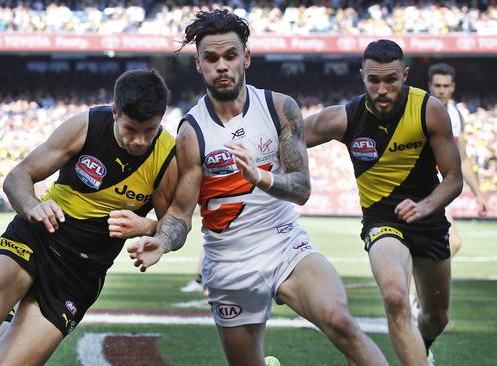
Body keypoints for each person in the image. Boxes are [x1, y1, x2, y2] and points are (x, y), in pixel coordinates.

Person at [127, 10, 388, 366]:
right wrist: (163, 240)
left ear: (245, 58)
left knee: (340, 321)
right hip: (228, 263)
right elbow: (179, 214)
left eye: (231, 56)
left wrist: (260, 177)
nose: (222, 66)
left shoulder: (280, 108)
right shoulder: (191, 131)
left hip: (284, 243)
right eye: (212, 58)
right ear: (199, 64)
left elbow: (301, 188)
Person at [0, 69, 177, 365]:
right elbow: (17, 177)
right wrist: (31, 206)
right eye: (131, 129)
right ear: (116, 112)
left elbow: (176, 225)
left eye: (150, 130)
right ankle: (0, 324)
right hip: (37, 236)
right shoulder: (86, 126)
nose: (140, 141)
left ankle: (6, 329)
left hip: (80, 271)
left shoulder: (167, 156)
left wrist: (148, 226)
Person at [305, 40, 463, 365]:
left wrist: (425, 206)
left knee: (437, 318)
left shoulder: (429, 110)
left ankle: (424, 346)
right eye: (373, 80)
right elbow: (286, 136)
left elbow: (453, 179)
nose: (382, 88)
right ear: (361, 76)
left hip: (429, 220)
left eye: (390, 79)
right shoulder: (345, 118)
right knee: (395, 297)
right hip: (382, 222)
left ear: (404, 75)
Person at [427, 63, 489, 254]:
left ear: (453, 87)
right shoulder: (419, 111)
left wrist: (479, 195)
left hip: (440, 190)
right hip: (422, 189)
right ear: (430, 85)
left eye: (446, 86)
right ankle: (416, 284)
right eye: (437, 86)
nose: (441, 90)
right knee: (451, 243)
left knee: (439, 248)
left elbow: (462, 159)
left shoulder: (456, 115)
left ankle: (416, 284)